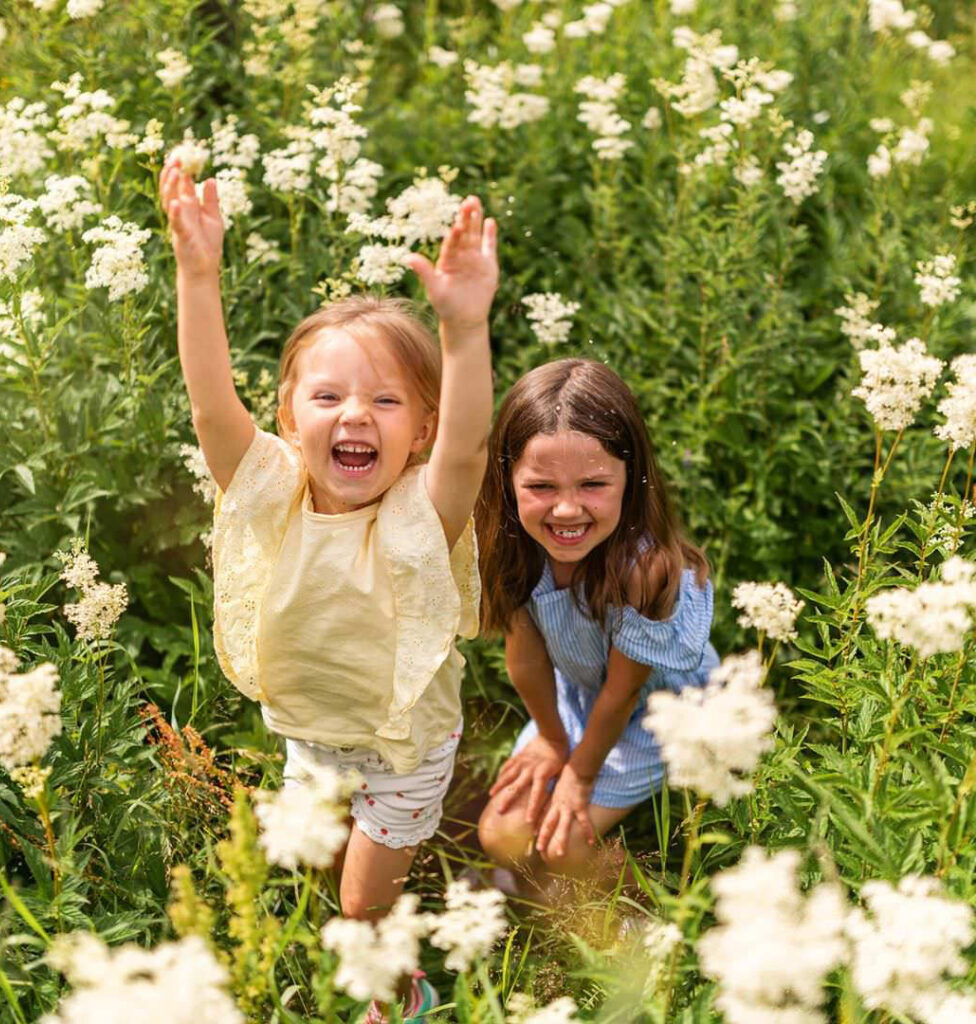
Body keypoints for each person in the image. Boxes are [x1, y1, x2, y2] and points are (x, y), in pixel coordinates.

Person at [159, 159, 498, 1021]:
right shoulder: (271, 487)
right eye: (329, 395)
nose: (355, 415)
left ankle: (400, 989)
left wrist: (463, 335)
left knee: (357, 906)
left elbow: (467, 448)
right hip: (310, 732)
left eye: (387, 401)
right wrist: (198, 275)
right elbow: (208, 408)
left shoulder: (422, 513)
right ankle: (372, 896)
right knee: (317, 860)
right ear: (287, 416)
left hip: (401, 751)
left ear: (419, 429)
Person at [475, 358, 719, 890]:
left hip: (664, 713)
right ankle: (534, 891)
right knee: (502, 836)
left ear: (631, 480)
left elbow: (622, 694)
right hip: (581, 698)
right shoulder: (516, 548)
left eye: (592, 484)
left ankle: (642, 913)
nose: (566, 510)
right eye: (541, 486)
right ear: (508, 480)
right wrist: (551, 740)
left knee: (565, 847)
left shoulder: (643, 570)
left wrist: (579, 777)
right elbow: (526, 660)